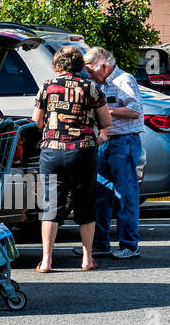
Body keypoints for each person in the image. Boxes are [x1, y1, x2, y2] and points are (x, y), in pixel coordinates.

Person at [32, 45, 112, 272]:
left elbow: (36, 120)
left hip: (52, 152)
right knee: (85, 203)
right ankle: (87, 259)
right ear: (79, 66)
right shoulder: (91, 87)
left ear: (57, 65)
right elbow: (106, 122)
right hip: (83, 152)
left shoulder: (47, 86)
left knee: (50, 205)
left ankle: (46, 260)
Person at [82, 47, 144, 260]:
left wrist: (105, 111)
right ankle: (100, 244)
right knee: (100, 194)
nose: (88, 75)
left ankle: (129, 245)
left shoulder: (124, 80)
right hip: (105, 141)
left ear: (104, 66)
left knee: (125, 195)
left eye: (91, 71)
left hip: (123, 142)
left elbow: (135, 110)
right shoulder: (98, 84)